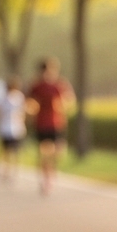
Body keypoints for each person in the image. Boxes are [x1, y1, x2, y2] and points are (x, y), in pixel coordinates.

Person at [27, 58, 74, 196]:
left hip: (57, 123)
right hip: (41, 123)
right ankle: (46, 178)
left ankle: (50, 173)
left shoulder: (59, 85)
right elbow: (29, 103)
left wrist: (62, 105)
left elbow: (69, 101)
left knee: (57, 152)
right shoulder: (36, 86)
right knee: (44, 153)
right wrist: (31, 111)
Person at [0, 77, 26, 183]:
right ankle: (4, 170)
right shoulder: (4, 98)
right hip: (6, 128)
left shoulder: (18, 97)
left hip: (14, 128)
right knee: (5, 151)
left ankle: (11, 171)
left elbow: (22, 112)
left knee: (13, 151)